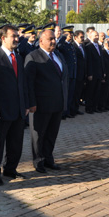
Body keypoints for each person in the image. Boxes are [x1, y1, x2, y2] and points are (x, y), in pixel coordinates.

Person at [0, 25, 28, 185]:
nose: (17, 39)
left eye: (17, 36)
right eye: (13, 36)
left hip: (18, 109)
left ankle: (10, 169)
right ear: (3, 38)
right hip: (1, 111)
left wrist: (26, 104)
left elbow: (22, 84)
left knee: (15, 142)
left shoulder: (19, 57)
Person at [25, 28, 68, 173]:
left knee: (51, 134)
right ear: (41, 40)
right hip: (41, 105)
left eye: (54, 39)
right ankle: (38, 161)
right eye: (50, 39)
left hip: (57, 103)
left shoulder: (57, 55)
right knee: (38, 135)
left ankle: (49, 159)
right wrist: (31, 103)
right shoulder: (33, 56)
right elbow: (29, 83)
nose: (54, 41)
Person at [56, 26, 77, 119]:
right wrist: (63, 37)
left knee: (71, 93)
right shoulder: (63, 44)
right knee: (65, 93)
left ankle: (68, 111)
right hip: (66, 73)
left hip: (72, 72)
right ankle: (63, 113)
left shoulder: (71, 45)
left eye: (71, 34)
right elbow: (58, 46)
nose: (71, 36)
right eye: (69, 34)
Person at [84, 28, 105, 113]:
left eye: (97, 36)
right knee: (91, 91)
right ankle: (89, 108)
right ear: (91, 36)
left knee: (97, 91)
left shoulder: (99, 47)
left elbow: (102, 61)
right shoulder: (88, 47)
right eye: (95, 36)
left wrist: (103, 72)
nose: (97, 37)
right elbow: (89, 61)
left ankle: (95, 107)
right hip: (93, 73)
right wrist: (89, 73)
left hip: (99, 73)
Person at [72, 30, 86, 115]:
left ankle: (76, 108)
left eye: (83, 37)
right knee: (74, 93)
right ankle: (72, 109)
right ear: (75, 37)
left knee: (79, 93)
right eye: (81, 37)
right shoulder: (73, 46)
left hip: (82, 73)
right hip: (76, 74)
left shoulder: (82, 46)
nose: (83, 39)